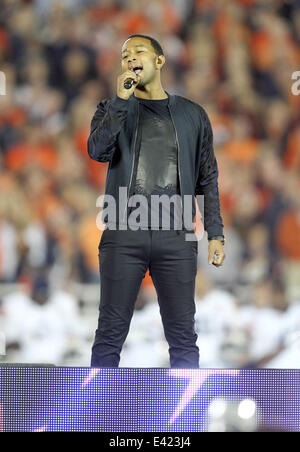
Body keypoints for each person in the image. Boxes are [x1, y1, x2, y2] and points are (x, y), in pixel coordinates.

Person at [87, 34, 226, 368]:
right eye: (124, 55)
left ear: (159, 61)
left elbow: (207, 177)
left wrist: (216, 233)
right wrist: (120, 102)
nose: (130, 58)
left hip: (176, 234)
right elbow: (97, 150)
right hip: (124, 230)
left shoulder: (193, 115)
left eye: (138, 51)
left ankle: (186, 419)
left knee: (182, 336)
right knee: (110, 332)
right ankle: (96, 418)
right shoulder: (110, 109)